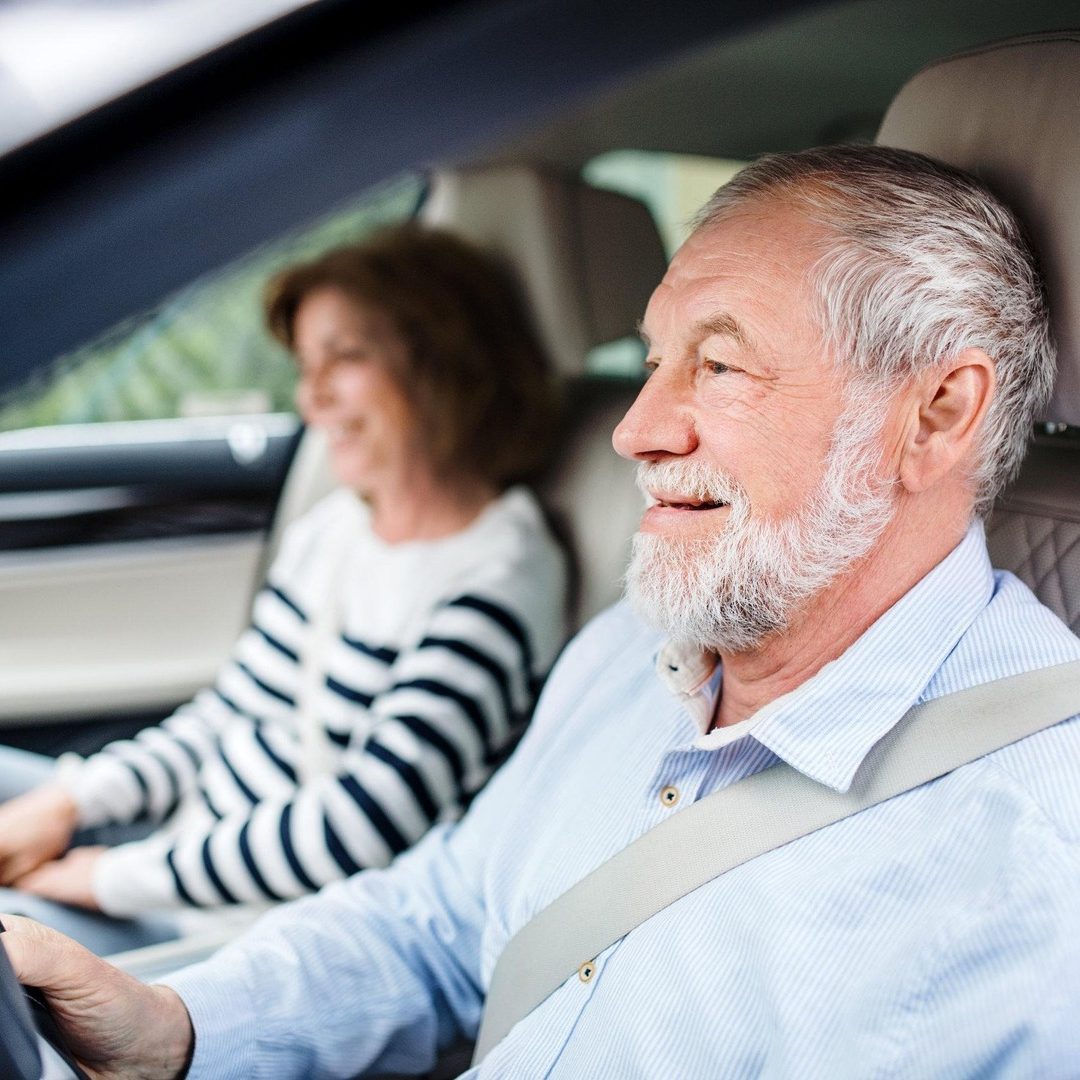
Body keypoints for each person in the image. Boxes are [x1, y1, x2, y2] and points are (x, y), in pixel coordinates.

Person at [5, 145, 1080, 1077]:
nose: (637, 430)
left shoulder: (1031, 879)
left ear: (936, 413)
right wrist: (179, 1028)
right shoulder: (628, 651)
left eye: (719, 364)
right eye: (655, 361)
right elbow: (440, 923)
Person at [0, 224, 568, 955]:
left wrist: (108, 877)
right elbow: (226, 716)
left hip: (255, 927)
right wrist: (67, 802)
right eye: (305, 365)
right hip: (188, 853)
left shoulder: (500, 578)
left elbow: (361, 826)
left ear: (445, 364)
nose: (313, 398)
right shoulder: (335, 530)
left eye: (347, 357)